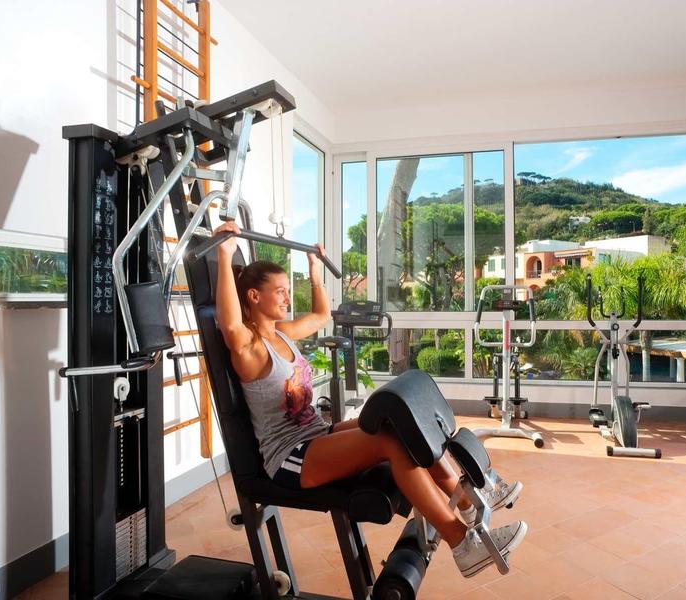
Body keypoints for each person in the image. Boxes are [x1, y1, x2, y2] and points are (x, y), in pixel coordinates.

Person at [213, 221, 527, 578]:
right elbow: (230, 325)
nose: (287, 298)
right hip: (290, 457)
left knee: (399, 423)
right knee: (390, 443)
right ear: (254, 297)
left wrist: (314, 268)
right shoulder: (250, 349)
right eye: (280, 291)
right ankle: (463, 545)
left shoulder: (282, 333)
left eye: (288, 290)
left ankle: (470, 503)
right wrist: (225, 255)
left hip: (317, 434)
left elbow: (320, 315)